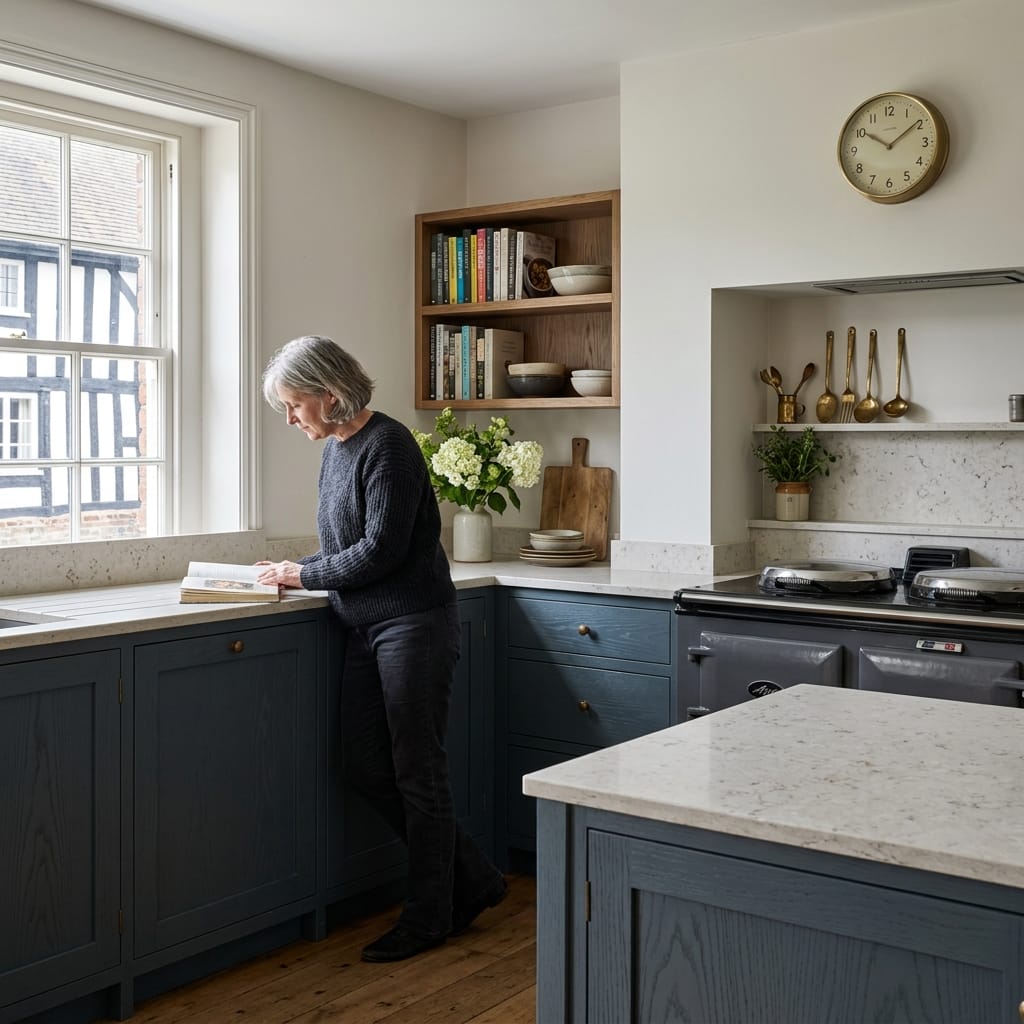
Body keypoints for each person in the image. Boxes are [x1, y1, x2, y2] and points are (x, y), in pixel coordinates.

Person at [257, 334, 507, 963]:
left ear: (329, 394)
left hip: (413, 626)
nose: (290, 419)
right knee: (366, 764)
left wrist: (305, 575)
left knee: (418, 773)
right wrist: (297, 565)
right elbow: (348, 543)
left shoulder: (389, 446)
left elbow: (382, 551)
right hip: (364, 628)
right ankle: (473, 880)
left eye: (294, 405)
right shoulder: (337, 449)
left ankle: (428, 917)